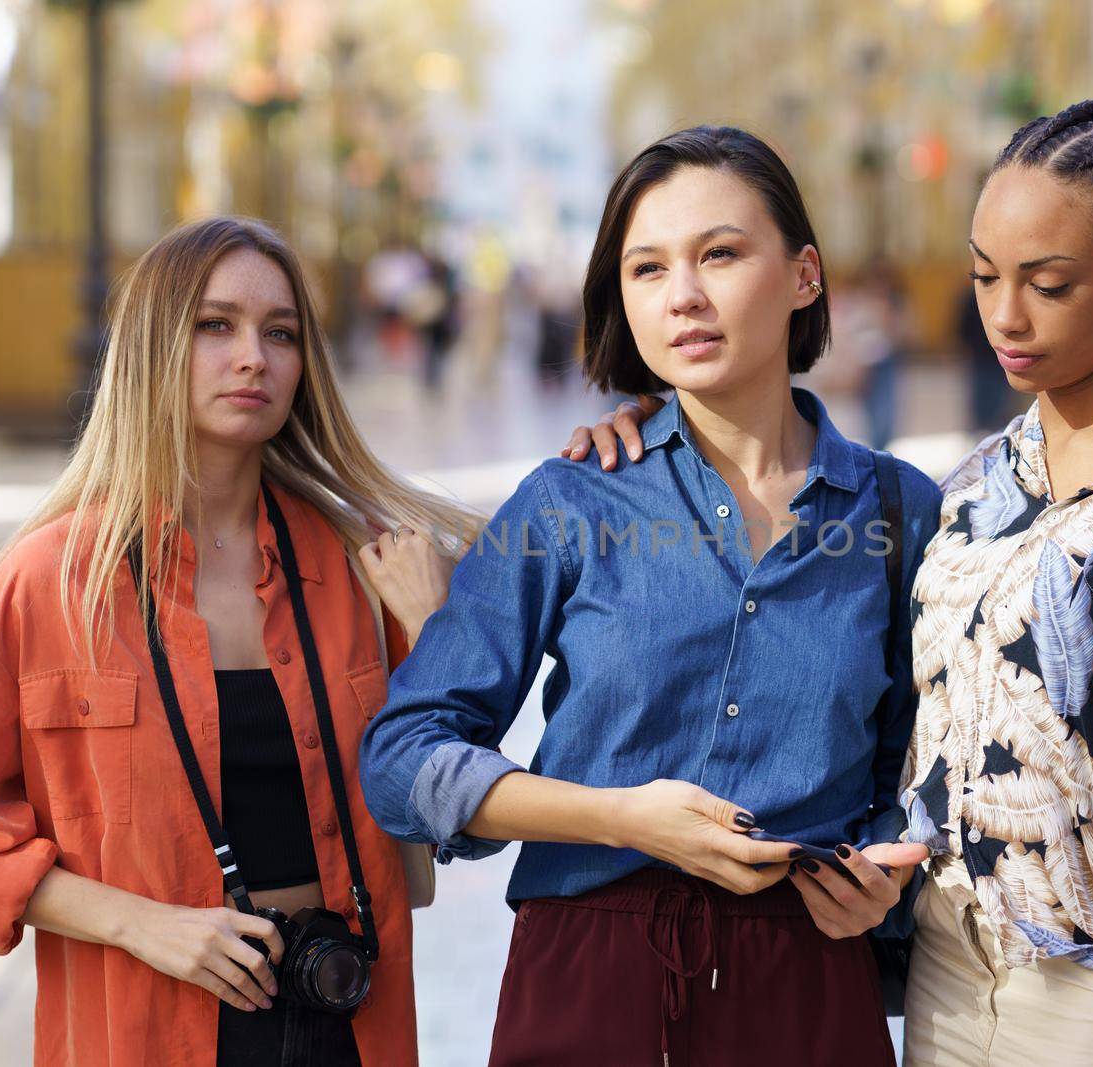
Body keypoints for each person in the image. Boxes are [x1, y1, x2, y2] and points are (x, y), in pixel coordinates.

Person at [568, 101, 1093, 1067]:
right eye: (984, 276)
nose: (1005, 316)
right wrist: (663, 432)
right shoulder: (975, 486)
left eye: (1048, 284)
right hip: (948, 992)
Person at [358, 126, 938, 1066]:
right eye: (647, 268)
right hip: (591, 974)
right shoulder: (573, 501)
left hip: (808, 980)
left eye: (719, 254)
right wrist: (617, 815)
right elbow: (403, 756)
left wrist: (887, 876)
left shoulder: (899, 511)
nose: (684, 297)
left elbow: (916, 770)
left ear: (804, 276)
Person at [0, 216, 478, 1066]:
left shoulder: (368, 565)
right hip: (146, 1025)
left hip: (347, 1013)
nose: (254, 357)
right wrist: (146, 925)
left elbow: (465, 809)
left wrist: (432, 632)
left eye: (280, 333)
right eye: (216, 326)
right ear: (151, 348)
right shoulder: (44, 586)